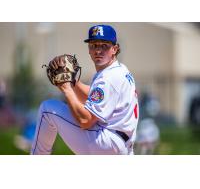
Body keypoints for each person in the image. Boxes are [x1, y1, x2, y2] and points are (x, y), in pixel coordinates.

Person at [31, 24, 139, 155]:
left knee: (47, 109)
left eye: (104, 45)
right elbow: (94, 97)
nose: (98, 50)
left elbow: (85, 121)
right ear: (89, 49)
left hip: (106, 143)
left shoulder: (108, 78)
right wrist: (72, 81)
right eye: (94, 45)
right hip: (122, 146)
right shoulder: (119, 70)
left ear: (114, 49)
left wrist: (67, 89)